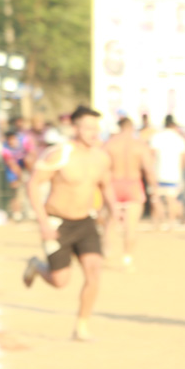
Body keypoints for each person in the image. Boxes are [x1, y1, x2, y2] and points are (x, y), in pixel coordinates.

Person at [21, 106, 114, 341]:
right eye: (88, 127)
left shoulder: (101, 158)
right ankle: (36, 265)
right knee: (60, 281)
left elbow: (105, 185)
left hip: (86, 222)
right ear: (75, 128)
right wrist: (43, 223)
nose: (94, 132)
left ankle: (81, 327)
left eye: (96, 128)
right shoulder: (59, 155)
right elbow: (33, 184)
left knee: (94, 272)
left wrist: (113, 208)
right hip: (57, 223)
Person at [104, 116, 153, 270]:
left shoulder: (110, 144)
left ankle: (107, 253)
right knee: (131, 225)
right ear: (132, 128)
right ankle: (127, 258)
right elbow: (149, 169)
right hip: (133, 184)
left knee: (111, 222)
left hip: (114, 183)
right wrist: (155, 190)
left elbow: (101, 166)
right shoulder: (139, 145)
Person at [149, 115, 185, 231]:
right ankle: (171, 222)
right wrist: (179, 171)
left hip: (158, 173)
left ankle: (158, 223)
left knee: (156, 199)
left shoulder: (157, 137)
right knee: (172, 199)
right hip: (173, 174)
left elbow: (152, 156)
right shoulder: (179, 139)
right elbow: (183, 159)